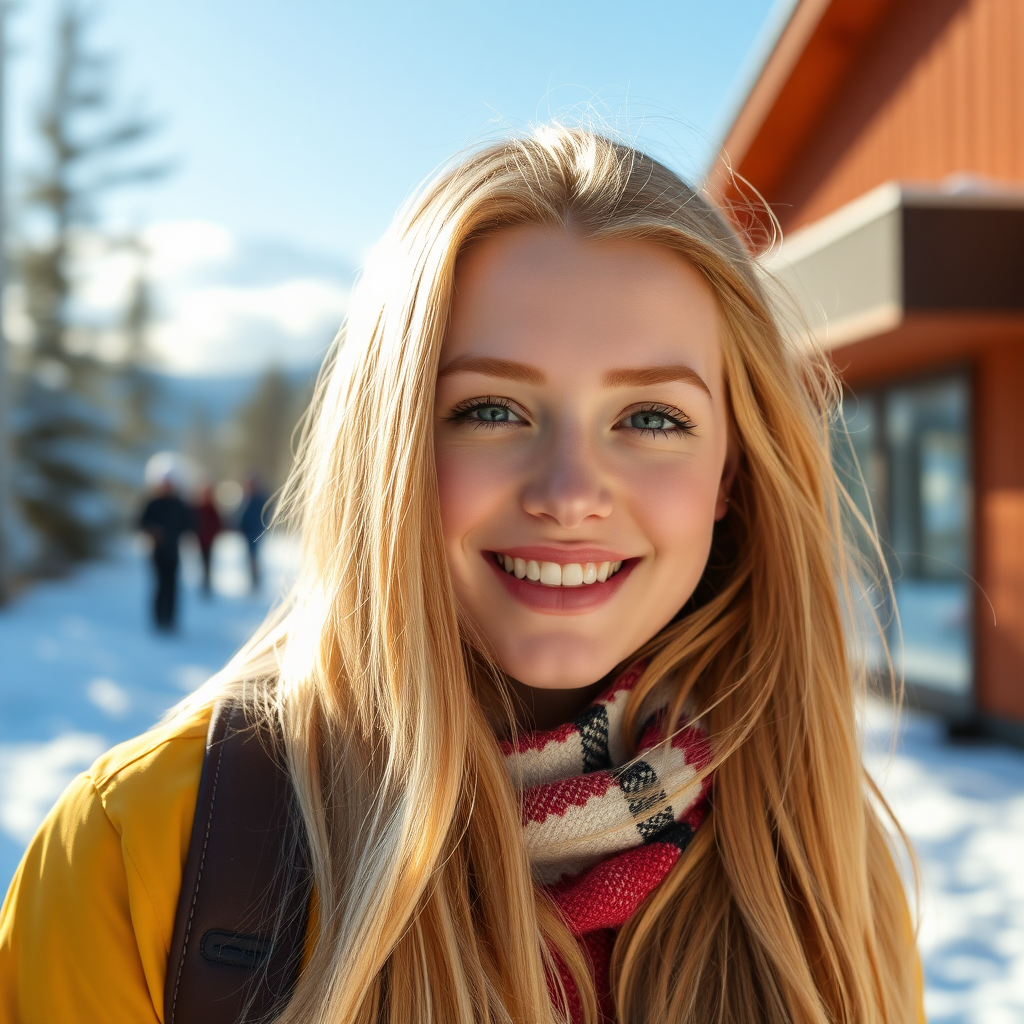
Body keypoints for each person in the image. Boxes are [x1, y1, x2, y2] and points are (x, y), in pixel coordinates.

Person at [0, 127, 924, 1023]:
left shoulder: (825, 878)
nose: (570, 495)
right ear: (391, 446)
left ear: (731, 472)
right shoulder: (139, 857)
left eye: (650, 419)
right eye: (491, 408)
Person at [137, 471, 195, 631]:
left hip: (174, 551)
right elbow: (140, 523)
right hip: (157, 552)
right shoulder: (153, 503)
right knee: (160, 586)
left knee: (173, 587)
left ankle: (170, 621)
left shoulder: (179, 504)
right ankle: (158, 621)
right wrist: (153, 531)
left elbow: (189, 523)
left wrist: (178, 533)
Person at [237, 475, 268, 592]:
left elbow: (263, 516)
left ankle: (255, 580)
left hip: (256, 533)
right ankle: (253, 579)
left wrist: (260, 529)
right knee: (251, 557)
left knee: (254, 556)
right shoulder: (246, 498)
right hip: (248, 533)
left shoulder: (259, 499)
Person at [192, 483, 223, 596]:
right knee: (202, 562)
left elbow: (218, 524)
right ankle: (203, 583)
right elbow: (192, 522)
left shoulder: (212, 508)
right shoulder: (197, 508)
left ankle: (206, 584)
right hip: (200, 540)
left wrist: (214, 533)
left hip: (209, 540)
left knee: (207, 562)